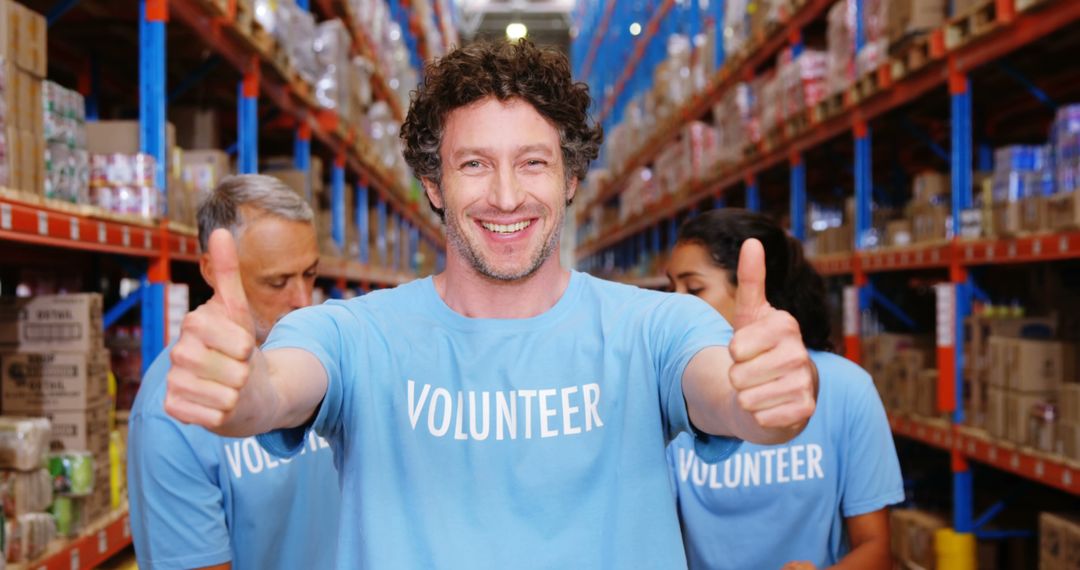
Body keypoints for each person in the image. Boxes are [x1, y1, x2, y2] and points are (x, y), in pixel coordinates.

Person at [162, 41, 818, 568]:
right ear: (433, 184)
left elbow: (727, 396)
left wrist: (767, 399)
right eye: (474, 164)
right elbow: (276, 390)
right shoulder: (354, 333)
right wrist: (241, 393)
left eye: (533, 163)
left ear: (571, 179)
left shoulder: (658, 326)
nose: (506, 196)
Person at [665, 208, 904, 570]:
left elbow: (876, 549)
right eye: (671, 287)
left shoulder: (848, 389)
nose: (674, 303)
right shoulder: (673, 395)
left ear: (753, 287)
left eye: (693, 288)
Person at [127, 174, 340, 570]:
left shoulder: (331, 360)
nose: (302, 299)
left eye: (310, 274)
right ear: (210, 269)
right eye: (277, 281)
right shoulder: (172, 410)